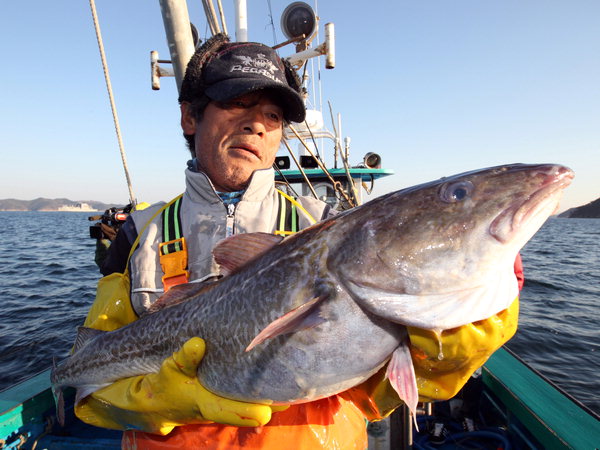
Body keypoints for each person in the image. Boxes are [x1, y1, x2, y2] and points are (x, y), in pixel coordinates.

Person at [77, 34, 520, 449]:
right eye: (237, 103)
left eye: (273, 116)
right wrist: (152, 401)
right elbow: (91, 377)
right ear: (190, 117)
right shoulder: (139, 233)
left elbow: (378, 393)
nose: (257, 125)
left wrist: (440, 355)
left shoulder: (326, 223)